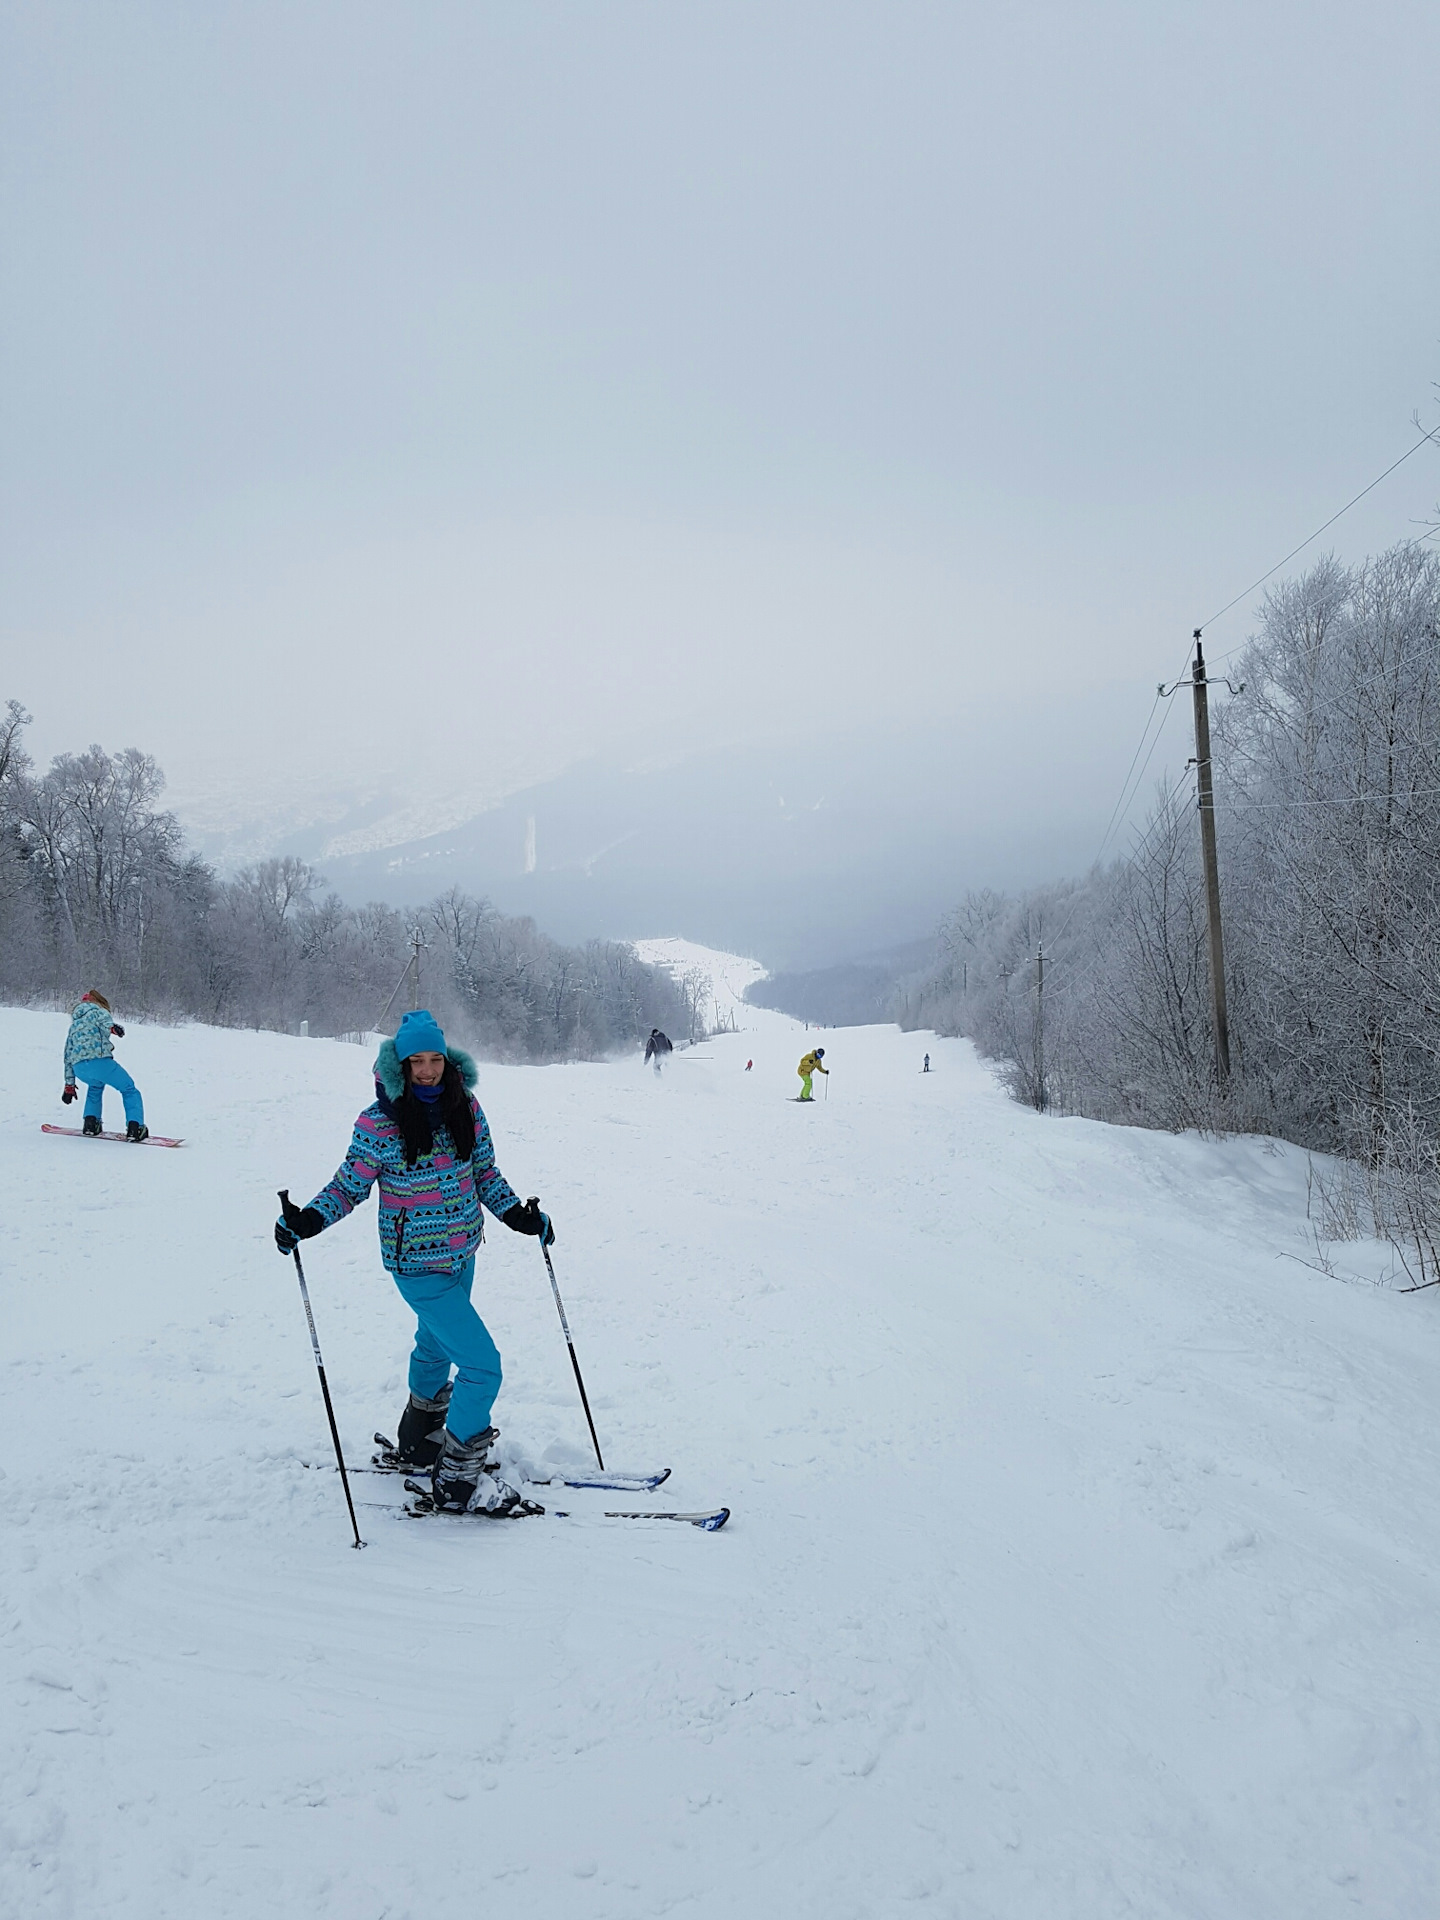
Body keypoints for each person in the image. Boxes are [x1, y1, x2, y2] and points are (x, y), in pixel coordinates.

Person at [273, 1009, 555, 1516]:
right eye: (416, 1061)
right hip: (416, 1265)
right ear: (399, 1065)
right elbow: (349, 1184)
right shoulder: (379, 1122)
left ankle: (419, 1436)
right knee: (482, 1367)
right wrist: (308, 1220)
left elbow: (484, 1173)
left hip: (463, 1252)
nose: (426, 1070)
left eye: (435, 1060)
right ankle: (458, 1481)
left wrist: (518, 1216)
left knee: (434, 1346)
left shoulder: (465, 1107)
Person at [61, 990, 148, 1142]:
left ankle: (91, 1124)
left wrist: (69, 1085)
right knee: (129, 1089)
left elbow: (67, 1055)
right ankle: (136, 1128)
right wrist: (113, 1028)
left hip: (79, 1068)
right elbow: (106, 1023)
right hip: (99, 1062)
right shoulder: (98, 1011)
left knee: (95, 1086)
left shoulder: (74, 1025)